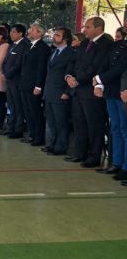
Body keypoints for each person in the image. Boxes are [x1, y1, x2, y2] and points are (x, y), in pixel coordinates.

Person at [65, 17, 113, 167]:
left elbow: (97, 66)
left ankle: (93, 156)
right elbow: (73, 61)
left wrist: (78, 79)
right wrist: (69, 76)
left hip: (91, 90)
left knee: (94, 125)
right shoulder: (85, 43)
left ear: (99, 28)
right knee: (79, 123)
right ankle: (80, 153)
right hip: (78, 90)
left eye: (88, 27)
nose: (84, 30)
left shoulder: (106, 43)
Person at [93, 26, 127, 178]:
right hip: (112, 91)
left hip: (123, 91)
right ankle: (117, 163)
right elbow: (105, 64)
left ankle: (125, 167)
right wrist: (99, 83)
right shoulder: (118, 45)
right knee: (116, 128)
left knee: (124, 130)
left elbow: (122, 68)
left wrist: (100, 79)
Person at [43, 27, 76, 156]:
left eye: (58, 35)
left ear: (65, 38)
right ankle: (52, 143)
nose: (54, 37)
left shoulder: (70, 53)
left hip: (61, 92)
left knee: (61, 121)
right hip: (50, 91)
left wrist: (67, 92)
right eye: (54, 34)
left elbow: (70, 73)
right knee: (51, 121)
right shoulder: (54, 52)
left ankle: (61, 146)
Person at [19, 23, 51, 146]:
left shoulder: (43, 48)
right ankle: (32, 134)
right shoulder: (30, 46)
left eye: (32, 30)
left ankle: (38, 137)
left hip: (34, 86)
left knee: (35, 112)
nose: (29, 31)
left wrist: (38, 86)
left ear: (39, 33)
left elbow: (41, 68)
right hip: (25, 84)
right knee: (28, 111)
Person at [1, 24, 29, 138]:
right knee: (11, 105)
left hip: (16, 80)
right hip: (9, 79)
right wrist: (4, 72)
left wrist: (7, 74)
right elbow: (5, 62)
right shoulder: (12, 45)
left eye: (13, 32)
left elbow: (18, 64)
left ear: (20, 33)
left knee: (18, 105)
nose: (10, 34)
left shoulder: (24, 45)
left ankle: (18, 129)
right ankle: (10, 127)